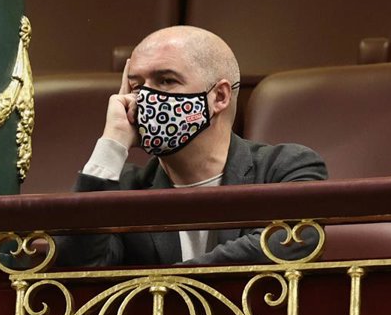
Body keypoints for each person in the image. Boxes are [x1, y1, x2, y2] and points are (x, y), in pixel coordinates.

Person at [55, 26, 327, 267]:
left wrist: (170, 282)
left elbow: (291, 241)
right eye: (137, 87)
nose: (145, 98)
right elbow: (78, 265)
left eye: (166, 81)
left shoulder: (285, 167)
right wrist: (112, 142)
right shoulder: (125, 187)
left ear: (219, 96)